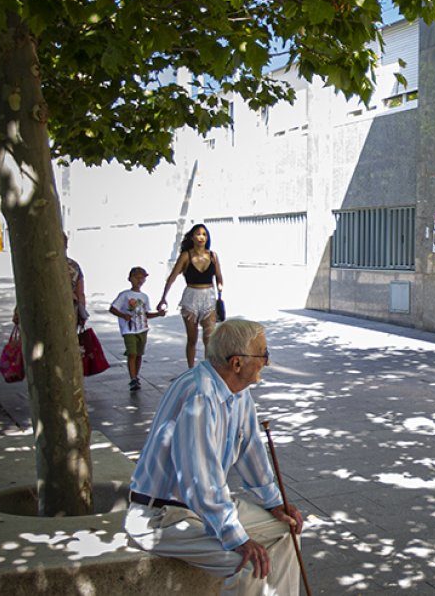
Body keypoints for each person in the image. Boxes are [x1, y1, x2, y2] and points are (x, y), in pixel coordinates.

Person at [124, 319, 304, 595]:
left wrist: (275, 503)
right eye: (263, 354)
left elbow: (250, 450)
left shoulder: (238, 394)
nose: (267, 362)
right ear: (236, 364)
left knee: (286, 532)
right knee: (249, 563)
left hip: (199, 508)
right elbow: (200, 479)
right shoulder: (199, 395)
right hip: (162, 515)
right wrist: (236, 537)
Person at [158, 223, 224, 368]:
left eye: (204, 234)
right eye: (198, 234)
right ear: (192, 237)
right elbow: (172, 277)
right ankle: (191, 369)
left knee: (209, 338)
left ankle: (208, 368)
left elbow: (219, 277)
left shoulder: (213, 256)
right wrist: (163, 297)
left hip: (209, 297)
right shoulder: (185, 256)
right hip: (191, 297)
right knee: (192, 339)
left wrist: (220, 289)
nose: (201, 237)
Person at [109, 267, 167, 391]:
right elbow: (113, 308)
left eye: (142, 278)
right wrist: (123, 315)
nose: (139, 280)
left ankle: (136, 375)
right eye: (137, 277)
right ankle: (133, 379)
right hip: (129, 329)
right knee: (132, 353)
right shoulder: (125, 295)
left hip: (142, 329)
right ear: (130, 279)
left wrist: (158, 313)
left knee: (139, 354)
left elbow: (146, 314)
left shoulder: (144, 297)